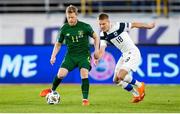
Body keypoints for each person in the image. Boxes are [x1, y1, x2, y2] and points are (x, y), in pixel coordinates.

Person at [40, 5, 100, 106]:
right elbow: (58, 44)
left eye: (72, 17)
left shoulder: (85, 26)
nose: (70, 19)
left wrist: (97, 50)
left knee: (84, 73)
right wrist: (53, 56)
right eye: (68, 17)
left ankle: (85, 99)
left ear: (76, 16)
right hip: (70, 56)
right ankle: (52, 90)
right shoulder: (64, 28)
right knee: (61, 74)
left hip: (83, 55)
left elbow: (96, 37)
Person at [95, 13, 155, 103]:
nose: (102, 26)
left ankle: (140, 85)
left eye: (103, 24)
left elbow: (134, 24)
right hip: (124, 55)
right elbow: (102, 48)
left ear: (108, 22)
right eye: (100, 24)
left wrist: (149, 26)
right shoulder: (103, 34)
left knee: (121, 75)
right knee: (116, 80)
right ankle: (136, 95)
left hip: (133, 52)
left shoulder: (118, 26)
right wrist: (98, 58)